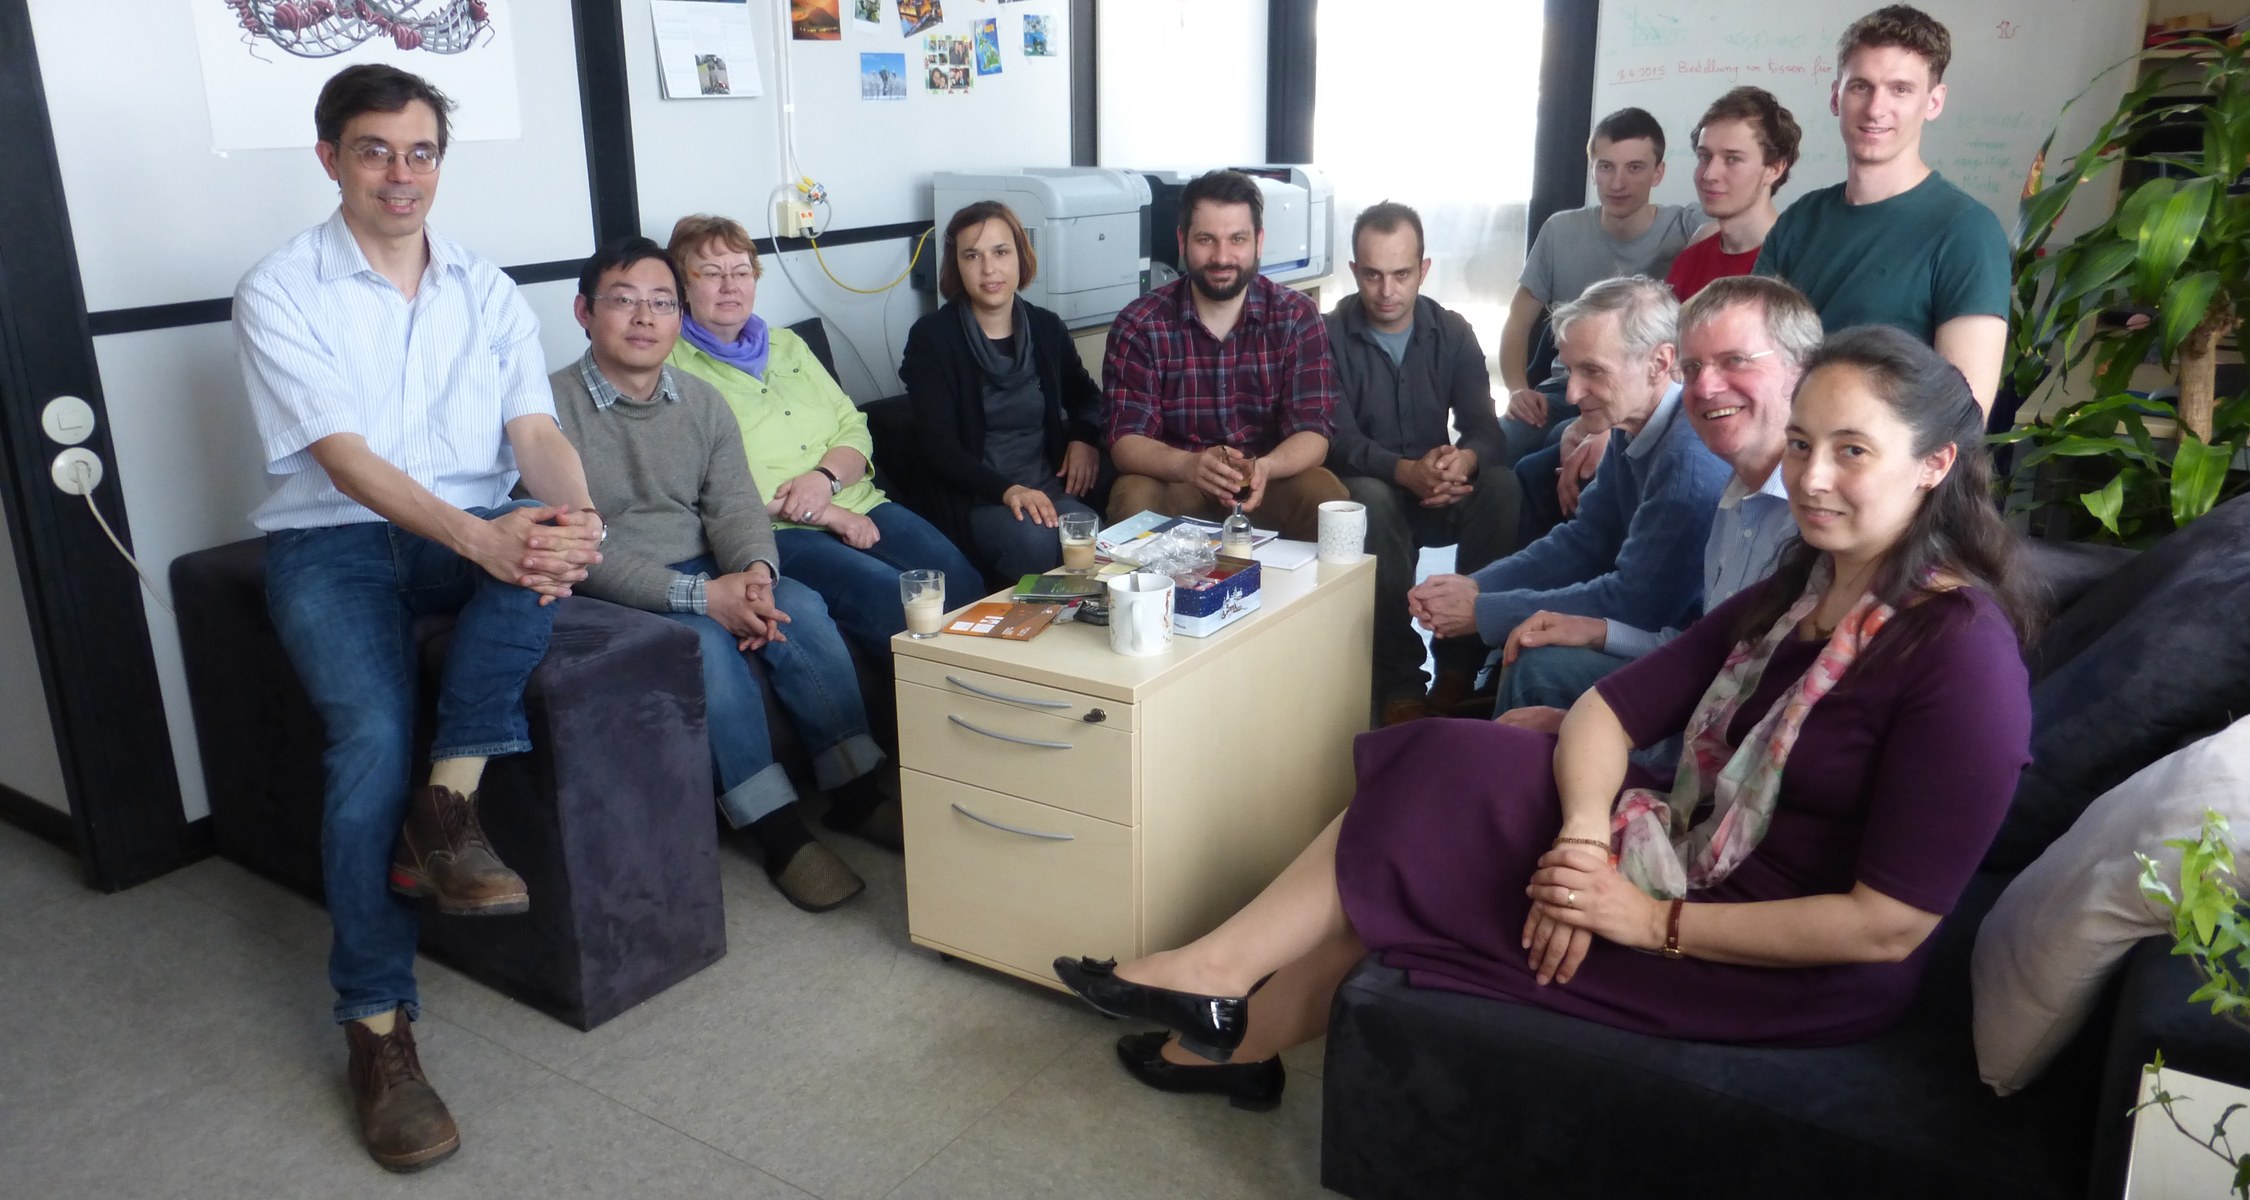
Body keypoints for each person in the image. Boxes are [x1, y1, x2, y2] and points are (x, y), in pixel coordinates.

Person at [1053, 324, 2036, 1111]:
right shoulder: (1802, 585)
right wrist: (1582, 843)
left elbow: (1887, 926)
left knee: (1434, 835)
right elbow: (1607, 707)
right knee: (1449, 754)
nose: (1812, 477)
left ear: (1935, 463)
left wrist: (1644, 918)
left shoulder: (1962, 658)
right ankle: (1224, 997)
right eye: (1806, 443)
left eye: (1853, 451)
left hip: (1764, 955)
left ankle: (1226, 1012)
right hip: (1674, 842)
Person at [235, 65, 605, 1171]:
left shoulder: (484, 287)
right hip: (331, 544)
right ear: (330, 158)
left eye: (421, 152)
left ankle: (445, 812)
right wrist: (486, 539)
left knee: (538, 547)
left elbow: (533, 430)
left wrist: (574, 517)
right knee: (369, 742)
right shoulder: (279, 288)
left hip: (465, 524)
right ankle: (378, 1030)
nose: (402, 175)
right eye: (375, 150)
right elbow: (345, 461)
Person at [547, 237, 899, 912]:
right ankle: (777, 831)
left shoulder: (701, 401)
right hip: (623, 582)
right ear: (584, 312)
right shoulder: (549, 411)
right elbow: (579, 548)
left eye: (661, 303)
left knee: (802, 609)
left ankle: (855, 791)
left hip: (707, 562)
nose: (644, 318)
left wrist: (755, 574)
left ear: (678, 317)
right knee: (705, 646)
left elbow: (734, 506)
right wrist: (703, 597)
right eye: (623, 301)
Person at [1493, 276, 1820, 718]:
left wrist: (1592, 734)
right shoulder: (1735, 493)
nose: (1704, 388)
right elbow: (1708, 653)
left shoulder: (1812, 511)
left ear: (1803, 369)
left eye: (1735, 361)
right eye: (1693, 368)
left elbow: (1768, 712)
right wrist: (1597, 632)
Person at [664, 214, 978, 663]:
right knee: (892, 604)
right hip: (774, 531)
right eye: (711, 274)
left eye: (741, 272)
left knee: (961, 582)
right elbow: (704, 483)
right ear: (683, 285)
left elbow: (853, 425)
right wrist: (826, 512)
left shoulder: (788, 345)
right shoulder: (671, 368)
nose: (730, 286)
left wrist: (826, 479)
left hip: (857, 498)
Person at [1408, 277, 1730, 694]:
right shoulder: (1631, 424)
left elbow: (1636, 605)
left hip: (1687, 657)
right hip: (1651, 628)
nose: (1574, 393)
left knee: (1538, 662)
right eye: (1570, 369)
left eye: (1593, 370)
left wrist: (1483, 611)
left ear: (1659, 362)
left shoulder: (1687, 464)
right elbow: (1584, 540)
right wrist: (1477, 586)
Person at [1754, 5, 2009, 414]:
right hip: (1783, 446)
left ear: (1934, 102)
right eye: (1861, 86)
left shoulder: (1967, 231)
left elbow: (1964, 413)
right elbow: (1754, 354)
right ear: (1836, 96)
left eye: (1900, 89)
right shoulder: (1800, 219)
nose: (1875, 108)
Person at [1323, 201, 1519, 725]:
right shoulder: (1327, 334)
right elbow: (1335, 438)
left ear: (1424, 269)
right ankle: (1399, 681)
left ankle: (1462, 666)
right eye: (1373, 275)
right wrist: (1405, 471)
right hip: (1376, 490)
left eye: (1401, 274)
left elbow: (1485, 428)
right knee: (1368, 498)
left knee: (1501, 486)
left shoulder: (1452, 331)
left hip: (1438, 491)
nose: (1387, 291)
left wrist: (1465, 461)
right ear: (1354, 271)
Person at [1103, 169, 1349, 542]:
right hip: (1178, 481)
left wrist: (1266, 467)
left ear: (1258, 241)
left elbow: (1313, 431)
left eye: (1237, 239)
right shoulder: (1140, 323)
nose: (1222, 257)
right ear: (1183, 240)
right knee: (1133, 495)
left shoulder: (1297, 316)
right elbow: (1126, 440)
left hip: (1265, 482)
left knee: (1326, 495)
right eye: (1206, 239)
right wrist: (1189, 465)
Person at [898, 200, 1108, 585]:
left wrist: (1084, 438)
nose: (989, 269)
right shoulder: (933, 338)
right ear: (956, 265)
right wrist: (1007, 491)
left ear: (1020, 257)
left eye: (1001, 252)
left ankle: (1077, 620)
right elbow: (937, 446)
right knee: (1034, 538)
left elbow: (1088, 396)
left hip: (1047, 487)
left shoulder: (1046, 327)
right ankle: (1026, 622)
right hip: (979, 498)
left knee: (1088, 530)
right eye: (972, 256)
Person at [1498, 107, 1701, 467]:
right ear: (1592, 170)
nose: (1618, 183)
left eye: (1634, 168)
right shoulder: (1560, 230)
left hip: (1633, 396)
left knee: (1556, 452)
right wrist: (1517, 389)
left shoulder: (1687, 227)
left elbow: (1747, 227)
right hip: (1563, 389)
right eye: (1606, 166)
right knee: (1496, 445)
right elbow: (1517, 319)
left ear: (1658, 173)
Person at [1665, 87, 1802, 301]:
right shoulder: (1691, 259)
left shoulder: (1798, 264)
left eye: (1732, 159)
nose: (1709, 174)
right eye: (1704, 157)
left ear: (1774, 169)